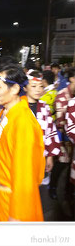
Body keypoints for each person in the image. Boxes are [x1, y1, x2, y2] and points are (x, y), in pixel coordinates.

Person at [0, 64, 45, 221]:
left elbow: (25, 175)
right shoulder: (8, 110)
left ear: (14, 89)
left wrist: (17, 215)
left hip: (13, 200)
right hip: (2, 193)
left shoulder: (22, 122)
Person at [24, 70, 61, 175]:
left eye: (40, 86)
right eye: (34, 86)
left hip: (40, 155)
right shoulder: (18, 107)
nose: (38, 90)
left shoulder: (44, 107)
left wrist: (49, 157)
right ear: (25, 87)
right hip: (22, 156)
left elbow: (50, 131)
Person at [49, 68, 75, 205]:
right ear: (72, 79)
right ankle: (52, 187)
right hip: (63, 139)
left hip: (72, 139)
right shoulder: (62, 96)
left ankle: (68, 192)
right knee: (60, 165)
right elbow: (61, 123)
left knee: (71, 167)